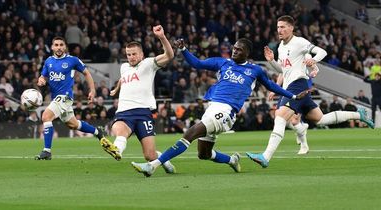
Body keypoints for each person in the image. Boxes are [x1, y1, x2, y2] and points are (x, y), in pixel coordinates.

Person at [131, 37, 308, 177]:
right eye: (234, 48)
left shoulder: (255, 70)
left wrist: (292, 96)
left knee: (190, 133)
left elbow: (271, 86)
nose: (235, 50)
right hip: (212, 108)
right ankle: (232, 160)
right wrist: (184, 50)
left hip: (226, 112)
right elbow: (198, 64)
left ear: (247, 52)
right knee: (204, 154)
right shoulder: (223, 63)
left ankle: (153, 166)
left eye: (239, 49)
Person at [246, 15, 374, 168]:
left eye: (283, 27)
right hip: (290, 87)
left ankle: (265, 156)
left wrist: (314, 60)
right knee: (321, 119)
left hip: (298, 85)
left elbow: (322, 52)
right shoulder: (280, 47)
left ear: (291, 28)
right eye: (278, 27)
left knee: (279, 116)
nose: (279, 30)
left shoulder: (299, 42)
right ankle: (359, 114)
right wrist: (272, 62)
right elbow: (283, 70)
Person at [35, 36, 118, 160]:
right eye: (56, 45)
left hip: (66, 97)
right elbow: (43, 76)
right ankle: (98, 132)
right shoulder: (48, 61)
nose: (58, 47)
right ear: (52, 47)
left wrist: (92, 90)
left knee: (46, 116)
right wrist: (41, 80)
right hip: (56, 98)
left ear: (65, 47)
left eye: (61, 45)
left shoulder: (72, 60)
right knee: (73, 124)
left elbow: (86, 73)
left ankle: (47, 151)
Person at [106, 25, 176, 174]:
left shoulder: (149, 64)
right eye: (128, 54)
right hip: (124, 112)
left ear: (142, 54)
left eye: (134, 54)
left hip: (143, 113)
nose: (131, 57)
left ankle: (164, 160)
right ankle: (117, 149)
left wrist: (162, 37)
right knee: (119, 129)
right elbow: (123, 79)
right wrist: (116, 89)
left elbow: (169, 55)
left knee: (149, 155)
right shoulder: (124, 67)